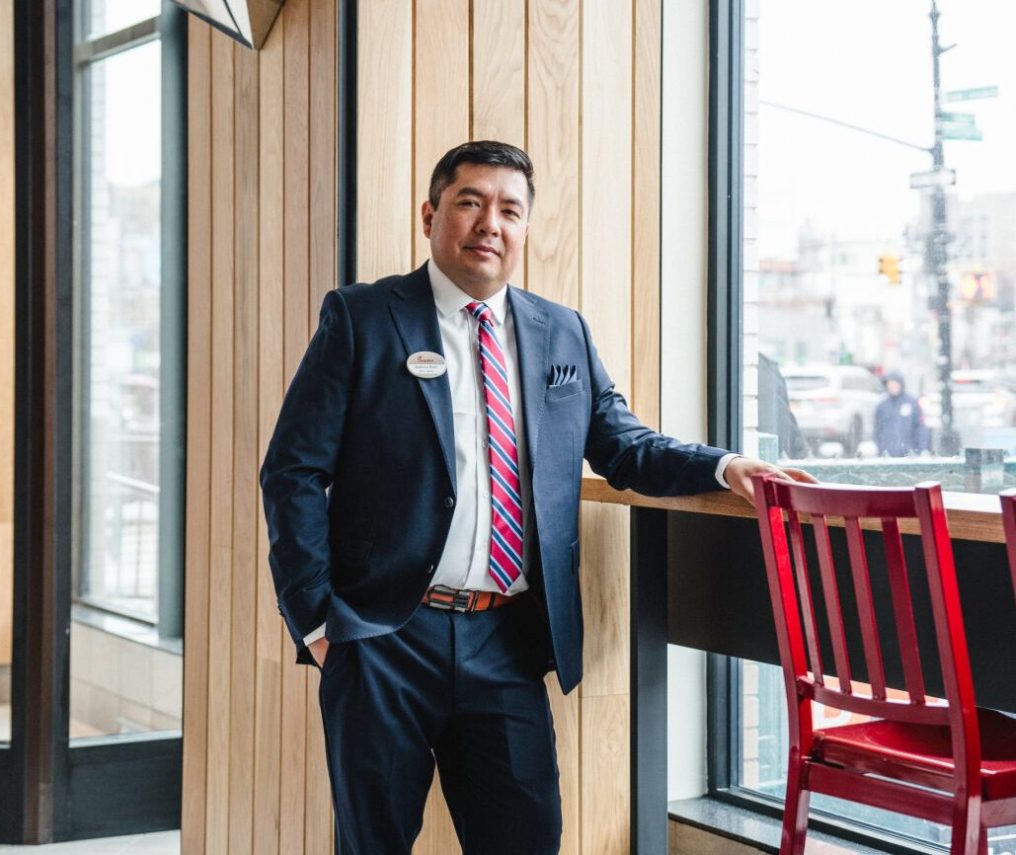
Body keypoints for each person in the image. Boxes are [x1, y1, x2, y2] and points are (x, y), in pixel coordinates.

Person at [260, 140, 814, 855]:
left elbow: (624, 445)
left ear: (524, 229)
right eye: (470, 202)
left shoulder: (563, 331)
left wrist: (726, 465)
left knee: (526, 838)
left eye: (509, 209)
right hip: (384, 638)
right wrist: (317, 621)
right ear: (431, 216)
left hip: (508, 642)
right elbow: (293, 471)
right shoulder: (364, 317)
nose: (490, 222)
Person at [874, 370, 930, 457]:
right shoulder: (882, 406)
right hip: (888, 455)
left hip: (909, 455)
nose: (893, 387)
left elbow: (920, 427)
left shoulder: (912, 402)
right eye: (890, 384)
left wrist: (920, 449)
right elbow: (878, 430)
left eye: (895, 384)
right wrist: (881, 449)